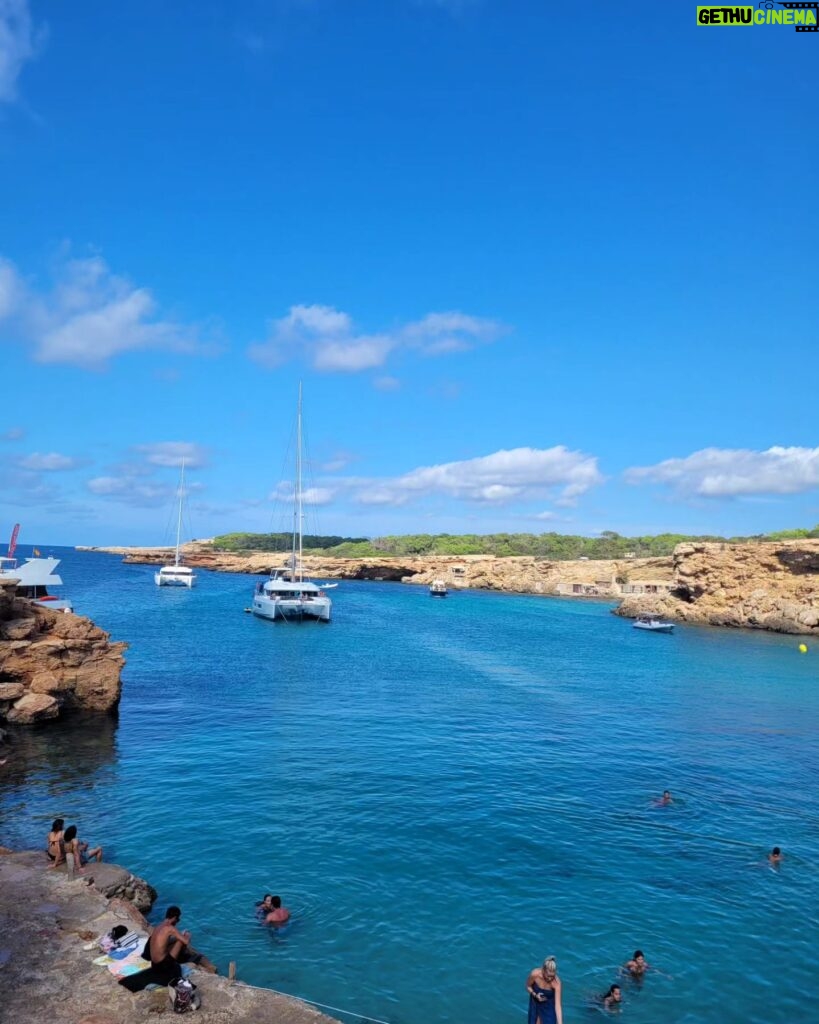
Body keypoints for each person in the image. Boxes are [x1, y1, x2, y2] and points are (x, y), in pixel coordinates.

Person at [525, 956, 563, 1024]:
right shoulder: (535, 974)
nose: (550, 978)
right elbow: (528, 986)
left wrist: (560, 1023)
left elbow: (558, 1006)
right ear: (543, 970)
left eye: (552, 976)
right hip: (535, 1002)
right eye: (548, 976)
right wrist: (535, 995)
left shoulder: (556, 983)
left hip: (548, 1006)